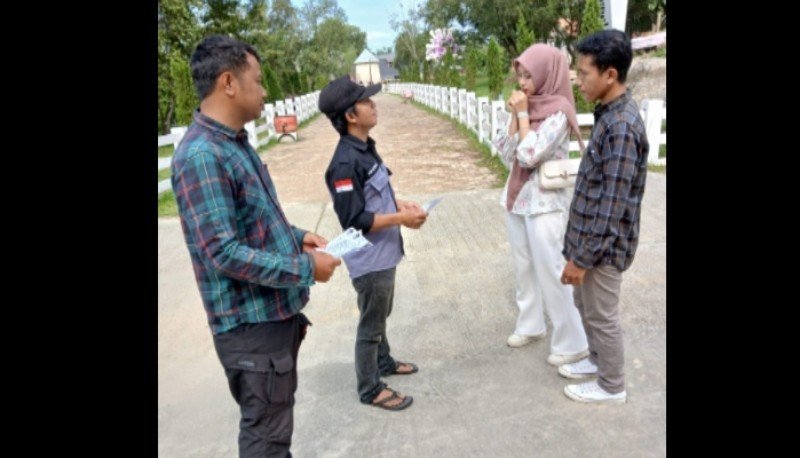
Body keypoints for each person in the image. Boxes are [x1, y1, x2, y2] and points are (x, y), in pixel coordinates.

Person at [171, 35, 341, 456]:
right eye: (259, 80)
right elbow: (223, 252)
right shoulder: (203, 156)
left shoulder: (233, 144)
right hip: (251, 328)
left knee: (273, 430)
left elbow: (253, 216)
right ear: (228, 82)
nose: (265, 91)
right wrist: (306, 268)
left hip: (268, 320)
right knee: (266, 438)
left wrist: (296, 236)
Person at [318, 75, 428, 411]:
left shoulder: (365, 148)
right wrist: (401, 219)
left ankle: (383, 361)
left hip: (384, 253)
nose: (373, 105)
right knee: (371, 323)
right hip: (370, 260)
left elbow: (377, 195)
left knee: (381, 313)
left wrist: (402, 205)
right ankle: (369, 388)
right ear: (351, 116)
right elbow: (355, 219)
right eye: (365, 101)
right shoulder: (344, 164)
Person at [559, 29, 649, 404]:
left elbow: (611, 208)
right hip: (590, 243)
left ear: (610, 75)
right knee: (586, 306)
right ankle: (597, 361)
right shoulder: (608, 115)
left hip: (603, 250)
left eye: (584, 73)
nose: (578, 81)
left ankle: (612, 385)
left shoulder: (622, 126)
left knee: (601, 316)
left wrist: (582, 258)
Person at [492, 44, 590, 367]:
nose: (522, 83)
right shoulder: (527, 107)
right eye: (520, 76)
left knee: (551, 270)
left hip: (545, 203)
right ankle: (530, 324)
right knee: (524, 268)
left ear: (547, 74)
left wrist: (523, 116)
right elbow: (504, 151)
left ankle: (573, 341)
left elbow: (529, 155)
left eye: (529, 76)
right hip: (517, 199)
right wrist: (515, 116)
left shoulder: (559, 111)